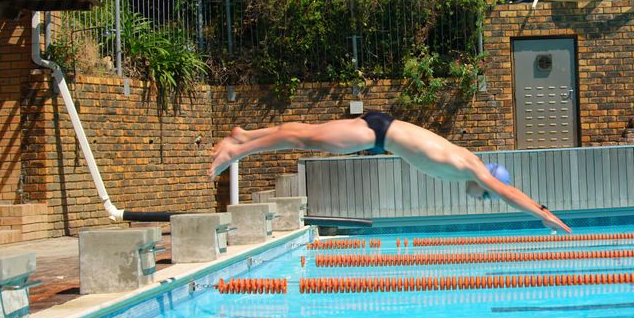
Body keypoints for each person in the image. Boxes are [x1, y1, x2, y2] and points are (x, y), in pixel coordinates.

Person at [209, 111, 572, 233]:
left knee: (305, 131)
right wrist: (543, 214)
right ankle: (237, 149)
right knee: (303, 138)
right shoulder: (472, 168)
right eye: (489, 194)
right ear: (490, 184)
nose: (485, 197)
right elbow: (510, 194)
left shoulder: (468, 163)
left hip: (380, 133)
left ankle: (246, 136)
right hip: (378, 131)